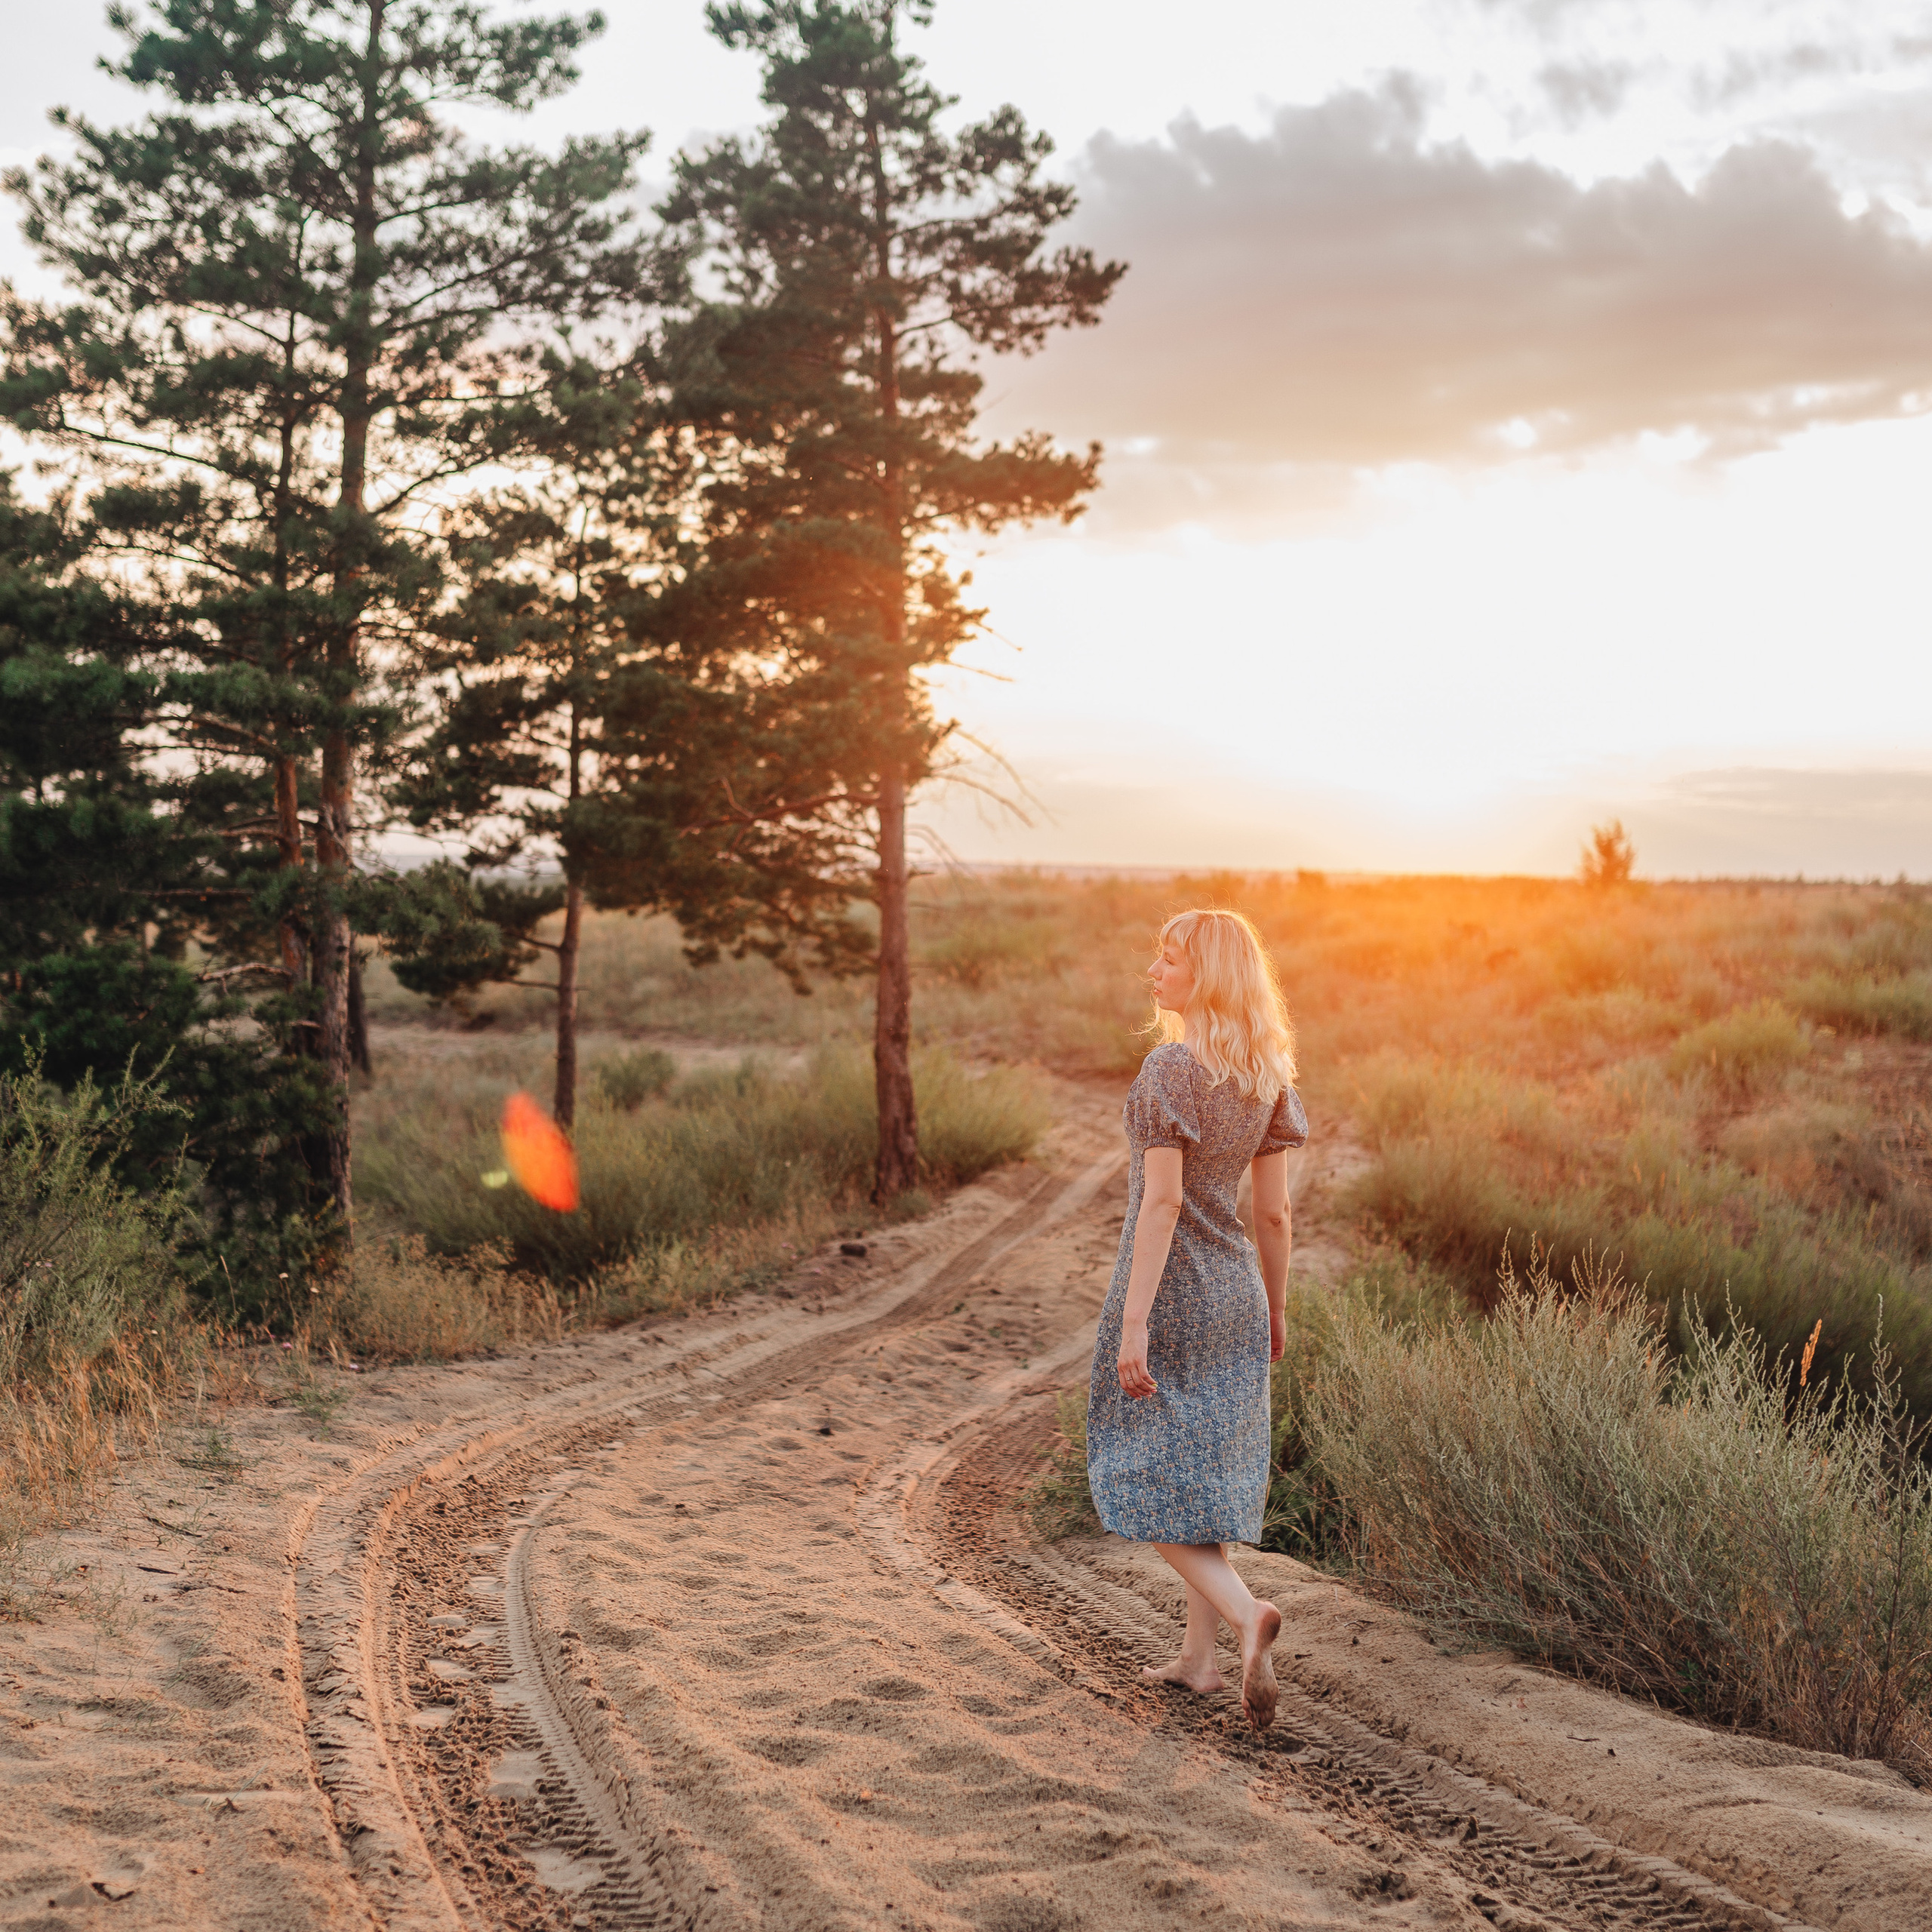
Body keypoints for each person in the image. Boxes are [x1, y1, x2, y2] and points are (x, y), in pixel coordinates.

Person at [1086, 907, 1308, 1732]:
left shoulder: (1168, 1070)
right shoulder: (1265, 1074)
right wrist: (1276, 1309)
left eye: (1170, 959)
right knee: (1201, 1483)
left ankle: (1248, 1614)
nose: (1154, 971)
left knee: (1134, 1472)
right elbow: (1276, 1217)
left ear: (1205, 976)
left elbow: (1165, 1202)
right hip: (1238, 1292)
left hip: (1173, 1292)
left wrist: (1134, 1321)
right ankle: (1199, 1659)